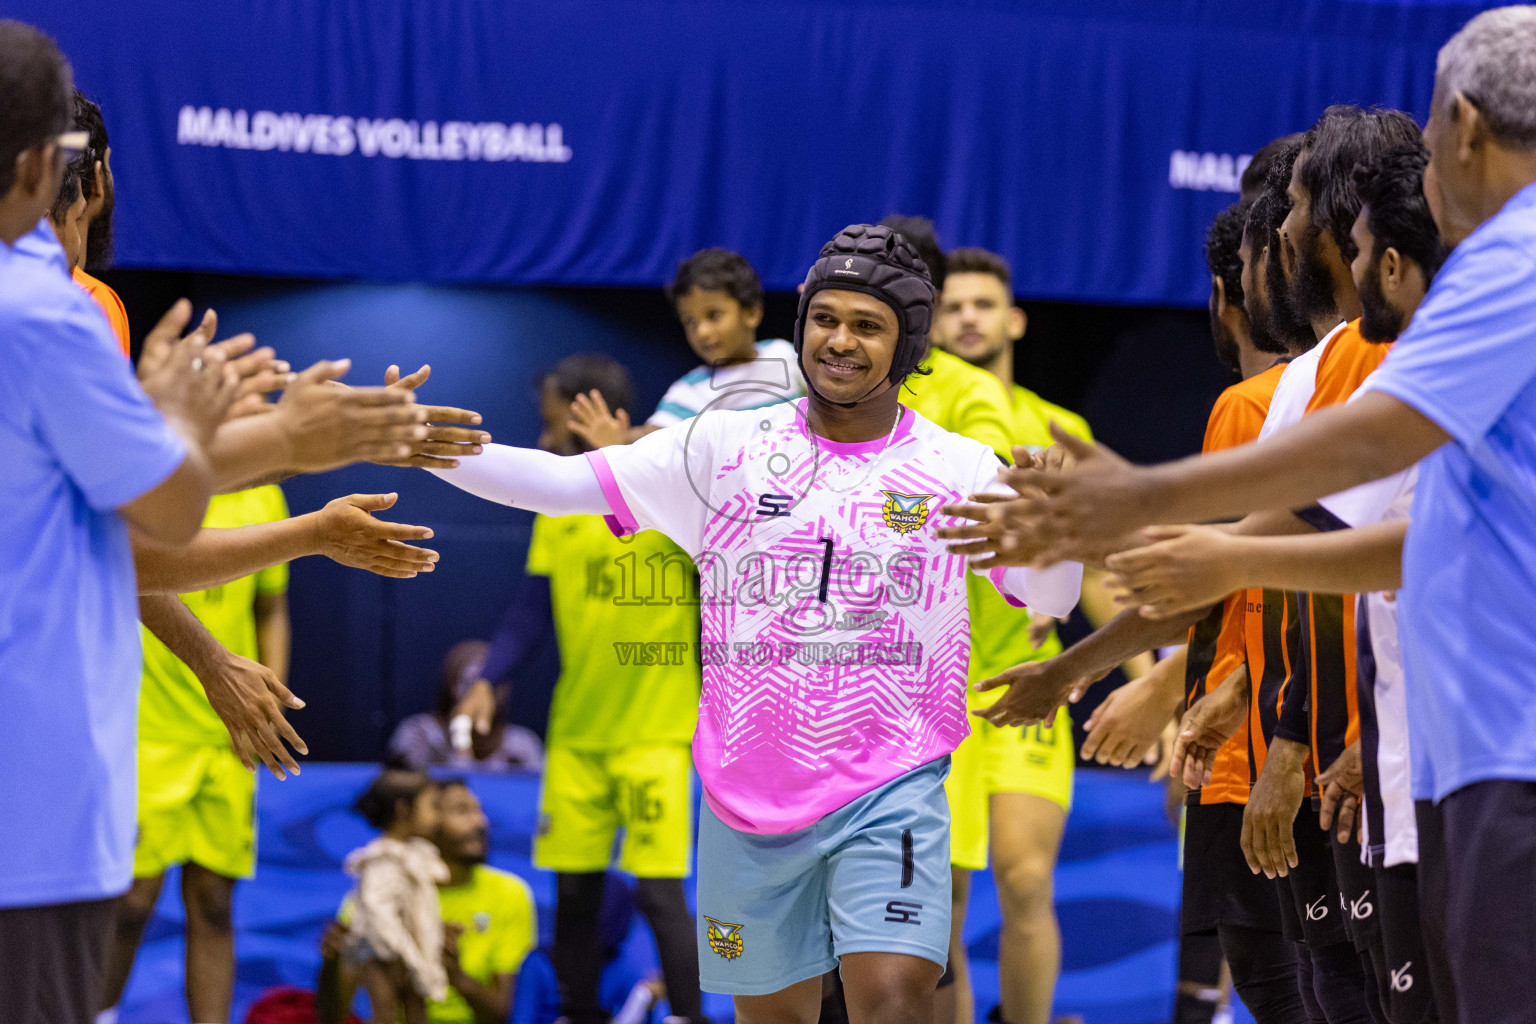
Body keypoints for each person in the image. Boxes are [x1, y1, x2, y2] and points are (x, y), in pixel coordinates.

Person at [951, 9, 1536, 1020]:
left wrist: (1141, 506)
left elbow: (1369, 451)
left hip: (1479, 753)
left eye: (1305, 217)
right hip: (1436, 751)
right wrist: (1186, 569)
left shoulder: (1505, 262)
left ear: (1466, 124)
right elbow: (1382, 534)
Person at [425, 223, 1083, 1024]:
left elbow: (1050, 598)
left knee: (897, 1001)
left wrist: (1055, 530)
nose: (840, 341)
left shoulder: (960, 468)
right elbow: (561, 485)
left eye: (867, 325)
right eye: (824, 319)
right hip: (744, 800)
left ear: (908, 344)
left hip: (893, 786)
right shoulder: (721, 445)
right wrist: (427, 447)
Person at [1109, 142, 1449, 1024]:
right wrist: (1234, 686)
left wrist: (1294, 732)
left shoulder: (1389, 368)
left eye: (1292, 213)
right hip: (1343, 740)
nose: (1284, 234)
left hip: (1381, 754)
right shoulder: (1322, 371)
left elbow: (1330, 550)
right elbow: (1297, 548)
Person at [0, 21, 243, 1019]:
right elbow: (152, 520)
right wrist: (214, 659)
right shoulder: (61, 308)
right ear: (69, 173)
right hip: (43, 773)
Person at [930, 246, 1150, 1024]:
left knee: (1024, 879)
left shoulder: (1062, 431)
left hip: (1028, 685)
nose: (967, 318)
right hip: (934, 696)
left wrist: (1149, 683)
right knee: (942, 902)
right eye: (952, 305)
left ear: (1013, 319)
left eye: (983, 304)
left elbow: (1099, 572)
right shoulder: (915, 432)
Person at [96, 483, 294, 1024]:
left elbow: (271, 607)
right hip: (147, 729)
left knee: (213, 903)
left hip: (227, 733)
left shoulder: (267, 498)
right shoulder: (146, 482)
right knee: (131, 903)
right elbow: (126, 576)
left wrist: (269, 699)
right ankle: (97, 1015)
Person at [568, 248, 805, 447]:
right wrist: (618, 442)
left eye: (714, 315)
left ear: (752, 312)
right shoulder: (692, 389)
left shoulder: (783, 353)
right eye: (691, 321)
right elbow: (653, 437)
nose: (701, 331)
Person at [387, 641, 544, 773]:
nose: (480, 695)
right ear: (451, 685)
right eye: (469, 683)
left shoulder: (523, 745)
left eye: (493, 686)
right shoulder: (419, 734)